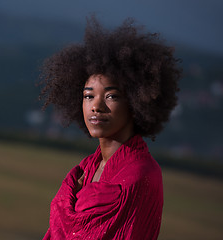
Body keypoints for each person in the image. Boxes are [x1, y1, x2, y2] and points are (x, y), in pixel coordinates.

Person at [39, 16, 181, 240]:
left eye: (111, 96)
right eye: (88, 96)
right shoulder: (86, 168)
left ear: (136, 102)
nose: (96, 106)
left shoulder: (140, 175)